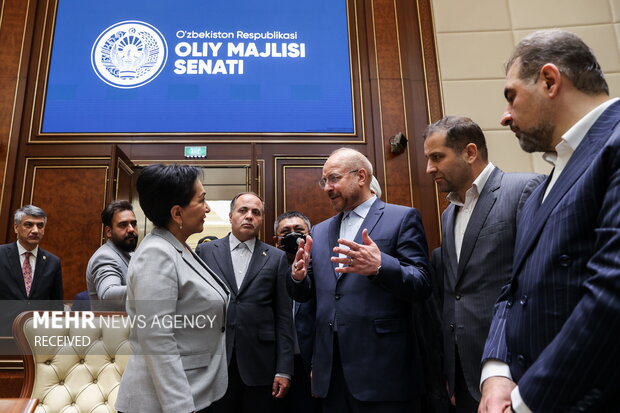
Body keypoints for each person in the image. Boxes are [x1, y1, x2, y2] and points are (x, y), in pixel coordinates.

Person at [479, 29, 620, 413]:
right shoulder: (543, 185)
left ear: (549, 80)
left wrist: (526, 400)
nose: (505, 116)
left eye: (511, 96)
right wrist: (497, 372)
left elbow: (612, 294)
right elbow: (514, 289)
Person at [288, 147, 432, 413]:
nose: (326, 187)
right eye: (324, 181)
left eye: (333, 179)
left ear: (361, 176)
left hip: (383, 371)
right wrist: (298, 278)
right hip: (332, 374)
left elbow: (422, 283)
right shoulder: (319, 231)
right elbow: (307, 295)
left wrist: (381, 266)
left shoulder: (401, 217)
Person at [422, 116, 543, 413]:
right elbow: (455, 293)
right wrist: (451, 372)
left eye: (437, 157)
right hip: (463, 373)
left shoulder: (523, 189)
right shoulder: (448, 215)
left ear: (470, 152)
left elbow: (536, 281)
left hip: (514, 367)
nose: (429, 169)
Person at [115, 164, 229, 413]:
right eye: (202, 200)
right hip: (165, 402)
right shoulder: (157, 254)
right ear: (177, 214)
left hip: (196, 389)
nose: (208, 208)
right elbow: (157, 339)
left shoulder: (178, 247)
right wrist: (180, 408)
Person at [196, 192, 294, 413]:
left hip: (261, 366)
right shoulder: (206, 251)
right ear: (231, 216)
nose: (249, 216)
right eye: (243, 211)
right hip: (214, 363)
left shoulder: (276, 257)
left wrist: (284, 370)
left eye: (256, 212)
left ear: (261, 220)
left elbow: (284, 317)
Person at [273, 211, 320, 413]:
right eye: (286, 231)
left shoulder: (323, 268)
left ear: (309, 235)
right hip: (278, 366)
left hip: (313, 364)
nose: (293, 235)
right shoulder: (270, 268)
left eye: (298, 230)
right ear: (277, 240)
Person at [0, 205, 63, 335]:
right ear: (16, 227)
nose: (35, 230)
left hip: (38, 336)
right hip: (4, 333)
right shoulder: (1, 255)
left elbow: (56, 304)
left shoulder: (52, 262)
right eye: (28, 225)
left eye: (40, 226)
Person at [86, 200, 138, 311]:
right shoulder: (105, 256)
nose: (131, 229)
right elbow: (108, 295)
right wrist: (151, 287)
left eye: (133, 223)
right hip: (112, 327)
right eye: (123, 225)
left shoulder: (128, 253)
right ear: (109, 231)